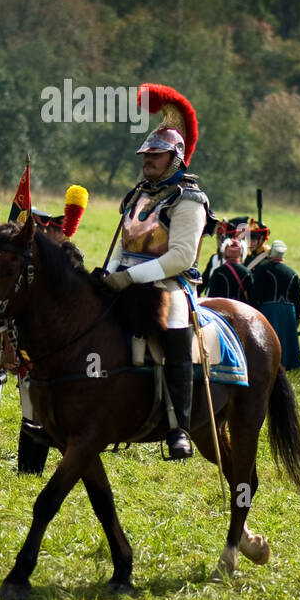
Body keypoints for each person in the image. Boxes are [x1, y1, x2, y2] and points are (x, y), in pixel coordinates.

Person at [103, 83, 213, 460]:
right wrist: (111, 272)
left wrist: (130, 277)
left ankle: (178, 428)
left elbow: (182, 255)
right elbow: (124, 244)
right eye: (146, 154)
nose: (147, 160)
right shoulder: (139, 194)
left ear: (176, 158)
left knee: (176, 334)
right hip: (126, 277)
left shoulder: (190, 200)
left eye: (157, 154)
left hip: (170, 284)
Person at [17, 185, 89, 475]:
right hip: (33, 349)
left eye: (57, 230)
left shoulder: (71, 263)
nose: (52, 234)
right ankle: (26, 470)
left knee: (54, 413)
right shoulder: (36, 264)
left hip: (64, 352)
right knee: (30, 412)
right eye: (49, 230)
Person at [248, 240, 300, 368]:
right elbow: (296, 297)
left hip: (270, 309)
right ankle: (287, 363)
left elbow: (257, 292)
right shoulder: (292, 272)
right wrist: (298, 314)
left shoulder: (263, 269)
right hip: (289, 310)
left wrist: (254, 307)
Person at [206, 236, 248, 301]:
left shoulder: (218, 271)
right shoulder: (246, 272)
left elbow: (211, 297)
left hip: (221, 308)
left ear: (225, 253)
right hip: (240, 308)